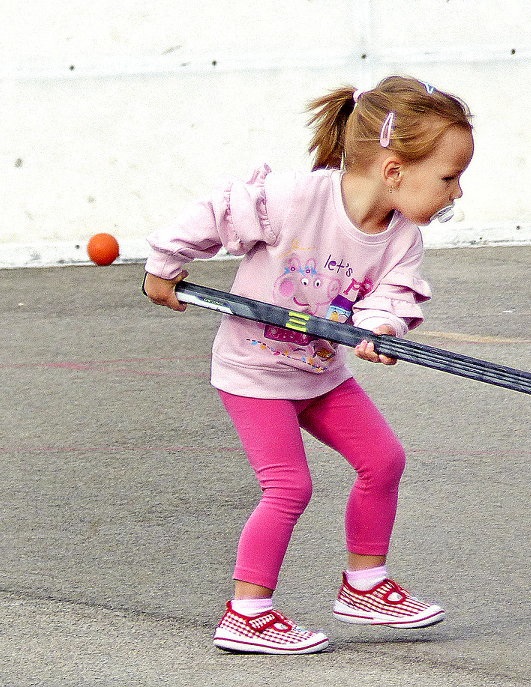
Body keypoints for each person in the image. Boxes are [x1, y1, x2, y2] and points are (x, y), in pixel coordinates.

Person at [143, 75, 474, 654]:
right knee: (289, 487)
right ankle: (247, 612)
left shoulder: (401, 237)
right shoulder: (297, 199)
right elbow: (220, 212)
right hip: (255, 372)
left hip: (321, 372)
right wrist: (166, 262)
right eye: (449, 177)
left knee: (383, 460)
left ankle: (364, 584)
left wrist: (380, 328)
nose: (456, 192)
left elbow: (392, 296)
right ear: (395, 169)